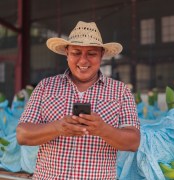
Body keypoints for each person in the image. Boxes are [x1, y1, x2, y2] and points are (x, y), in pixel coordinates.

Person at [16, 21, 140, 179]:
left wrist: (103, 129)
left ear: (101, 55)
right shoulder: (46, 86)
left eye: (91, 53)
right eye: (76, 52)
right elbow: (22, 135)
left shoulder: (120, 91)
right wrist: (57, 128)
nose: (83, 61)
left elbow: (133, 142)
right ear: (67, 53)